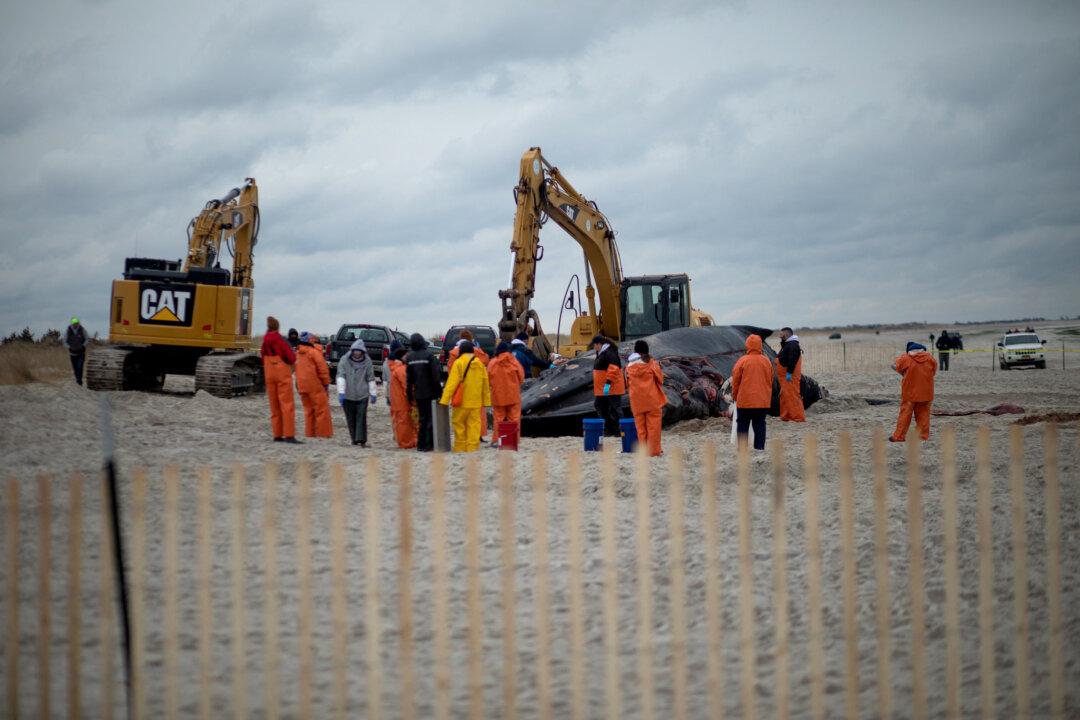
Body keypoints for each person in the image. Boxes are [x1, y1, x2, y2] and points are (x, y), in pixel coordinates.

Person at [439, 340, 492, 452]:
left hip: (460, 402)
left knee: (459, 425)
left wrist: (444, 400)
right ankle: (472, 448)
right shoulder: (480, 364)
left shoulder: (458, 363)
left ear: (461, 351)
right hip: (475, 403)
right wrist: (487, 402)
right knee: (474, 426)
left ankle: (460, 448)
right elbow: (485, 384)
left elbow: (451, 384)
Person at [260, 316, 300, 443]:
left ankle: (277, 435)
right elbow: (291, 358)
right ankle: (289, 435)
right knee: (287, 404)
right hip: (282, 374)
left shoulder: (265, 341)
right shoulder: (280, 340)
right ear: (277, 326)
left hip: (269, 374)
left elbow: (262, 355)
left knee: (274, 405)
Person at [731, 333, 774, 451]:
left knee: (743, 424)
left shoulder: (742, 361)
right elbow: (770, 381)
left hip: (745, 401)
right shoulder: (767, 361)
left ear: (747, 345)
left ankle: (743, 449)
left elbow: (735, 381)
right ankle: (759, 448)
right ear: (760, 346)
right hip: (762, 401)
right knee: (760, 424)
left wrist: (735, 396)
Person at [446, 330, 491, 439]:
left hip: (459, 389)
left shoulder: (453, 353)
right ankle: (477, 436)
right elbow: (485, 360)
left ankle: (463, 436)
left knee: (460, 415)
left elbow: (450, 371)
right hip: (474, 388)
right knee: (476, 415)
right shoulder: (475, 350)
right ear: (470, 339)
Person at [890, 341, 937, 442]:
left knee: (905, 415)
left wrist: (904, 373)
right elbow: (933, 372)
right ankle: (922, 436)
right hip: (926, 393)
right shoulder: (930, 358)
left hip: (909, 393)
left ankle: (899, 436)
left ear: (909, 350)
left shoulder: (905, 358)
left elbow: (894, 365)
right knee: (924, 415)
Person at [626, 340, 666, 456]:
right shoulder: (651, 364)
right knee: (653, 427)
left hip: (636, 402)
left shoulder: (628, 366)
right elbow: (660, 379)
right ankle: (653, 451)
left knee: (641, 429)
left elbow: (626, 383)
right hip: (652, 400)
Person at [336, 339, 377, 446]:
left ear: (363, 351)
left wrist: (373, 393)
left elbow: (370, 378)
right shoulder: (344, 360)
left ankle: (361, 440)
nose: (357, 353)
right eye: (355, 350)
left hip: (362, 394)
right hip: (348, 395)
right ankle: (354, 439)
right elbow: (341, 376)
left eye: (359, 351)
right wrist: (341, 392)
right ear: (352, 350)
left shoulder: (367, 361)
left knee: (361, 417)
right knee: (351, 418)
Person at [406, 332, 442, 451]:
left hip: (418, 393)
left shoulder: (410, 357)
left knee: (422, 419)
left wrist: (409, 395)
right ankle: (429, 444)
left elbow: (409, 379)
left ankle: (421, 445)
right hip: (430, 392)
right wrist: (439, 392)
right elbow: (435, 376)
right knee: (430, 418)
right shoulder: (428, 355)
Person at [295, 331, 333, 439]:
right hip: (315, 385)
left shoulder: (297, 353)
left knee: (308, 411)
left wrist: (297, 385)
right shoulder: (314, 352)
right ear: (311, 340)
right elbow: (323, 370)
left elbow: (295, 370)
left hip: (302, 386)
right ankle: (323, 434)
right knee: (322, 410)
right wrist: (326, 383)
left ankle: (310, 434)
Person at [487, 341, 526, 442]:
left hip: (498, 396)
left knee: (498, 419)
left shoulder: (492, 363)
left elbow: (487, 379)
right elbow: (521, 378)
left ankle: (497, 440)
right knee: (514, 418)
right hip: (513, 395)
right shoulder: (514, 361)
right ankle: (512, 440)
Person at [591, 335, 625, 436]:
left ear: (599, 344)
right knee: (600, 405)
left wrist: (608, 384)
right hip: (602, 388)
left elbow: (613, 369)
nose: (594, 347)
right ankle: (610, 429)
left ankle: (620, 430)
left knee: (615, 408)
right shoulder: (602, 353)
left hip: (611, 387)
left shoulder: (609, 353)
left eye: (594, 345)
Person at [386, 343, 418, 449]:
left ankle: (405, 442)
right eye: (406, 355)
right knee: (404, 423)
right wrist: (413, 401)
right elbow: (407, 387)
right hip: (402, 402)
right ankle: (406, 443)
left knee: (400, 423)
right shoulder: (401, 369)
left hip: (396, 401)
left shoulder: (394, 367)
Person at [776, 327, 805, 422]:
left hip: (790, 375)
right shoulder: (787, 344)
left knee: (792, 395)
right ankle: (786, 416)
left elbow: (792, 360)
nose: (780, 335)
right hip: (784, 376)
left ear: (787, 334)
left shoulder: (793, 345)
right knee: (784, 395)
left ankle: (798, 417)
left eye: (781, 334)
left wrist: (789, 373)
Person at [64, 316, 88, 385]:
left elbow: (87, 338)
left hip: (81, 353)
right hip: (72, 353)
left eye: (76, 323)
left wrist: (83, 345)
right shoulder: (68, 330)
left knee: (80, 367)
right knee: (75, 368)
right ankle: (77, 379)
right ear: (72, 323)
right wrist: (69, 347)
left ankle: (79, 380)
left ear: (78, 323)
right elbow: (64, 341)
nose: (75, 324)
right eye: (74, 323)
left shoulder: (82, 329)